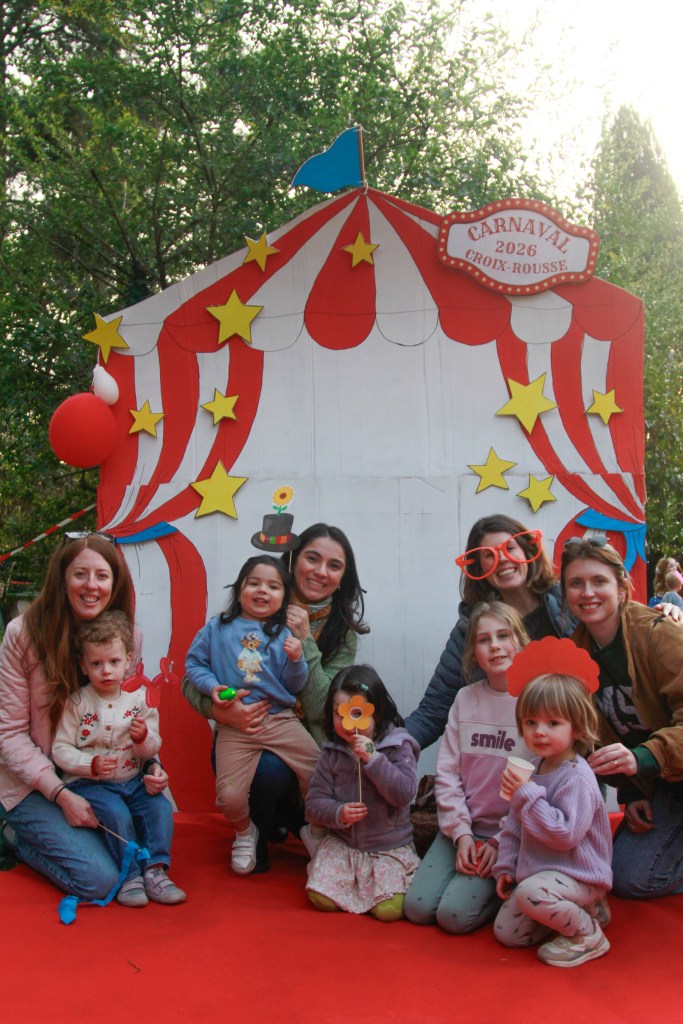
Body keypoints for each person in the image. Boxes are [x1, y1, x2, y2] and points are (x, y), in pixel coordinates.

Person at [182, 523, 368, 870]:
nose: (320, 572)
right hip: (239, 729)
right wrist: (221, 711)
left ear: (343, 578)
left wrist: (305, 642)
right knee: (257, 777)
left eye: (333, 566)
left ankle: (298, 823)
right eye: (312, 559)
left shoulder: (340, 633)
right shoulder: (242, 616)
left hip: (294, 732)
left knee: (303, 770)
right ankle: (254, 831)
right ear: (292, 562)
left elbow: (318, 709)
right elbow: (191, 679)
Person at [0, 535, 166, 899]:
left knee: (146, 843)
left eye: (101, 576)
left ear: (115, 583)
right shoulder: (22, 635)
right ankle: (15, 838)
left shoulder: (129, 638)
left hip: (96, 779)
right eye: (80, 574)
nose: (91, 585)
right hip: (35, 783)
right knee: (101, 879)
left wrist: (152, 763)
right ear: (62, 579)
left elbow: (131, 711)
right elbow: (8, 734)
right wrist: (60, 794)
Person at [561, 535, 683, 899]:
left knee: (638, 878)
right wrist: (632, 791)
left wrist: (643, 758)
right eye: (576, 583)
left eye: (599, 581)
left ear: (621, 586)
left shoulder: (658, 633)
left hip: (670, 767)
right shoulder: (576, 654)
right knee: (623, 874)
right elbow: (606, 734)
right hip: (662, 782)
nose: (587, 593)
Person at [184, 554, 322, 875]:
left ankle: (313, 830)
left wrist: (297, 660)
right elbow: (194, 664)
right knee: (229, 796)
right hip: (235, 726)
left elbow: (295, 684)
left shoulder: (284, 634)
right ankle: (246, 832)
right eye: (254, 583)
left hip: (280, 719)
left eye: (273, 586)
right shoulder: (217, 628)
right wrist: (212, 688)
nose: (262, 591)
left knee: (318, 769)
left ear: (284, 597)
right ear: (239, 589)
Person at [404, 602, 532, 933]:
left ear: (520, 641)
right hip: (463, 827)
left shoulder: (536, 701)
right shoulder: (464, 699)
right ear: (473, 653)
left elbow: (544, 783)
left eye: (503, 636)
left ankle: (511, 881)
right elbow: (447, 774)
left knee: (453, 917)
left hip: (509, 834)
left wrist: (502, 840)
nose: (495, 646)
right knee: (417, 908)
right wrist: (460, 833)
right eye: (484, 640)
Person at [492, 637, 613, 968]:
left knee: (530, 894)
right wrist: (506, 866)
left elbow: (564, 835)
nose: (539, 732)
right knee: (507, 933)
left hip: (580, 875)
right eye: (531, 722)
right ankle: (579, 912)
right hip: (542, 876)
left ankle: (588, 934)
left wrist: (527, 793)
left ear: (577, 728)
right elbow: (514, 826)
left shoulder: (577, 778)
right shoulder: (533, 767)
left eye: (553, 723)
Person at [52, 611, 185, 907]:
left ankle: (155, 870)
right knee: (116, 814)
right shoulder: (77, 702)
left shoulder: (140, 700)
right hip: (90, 785)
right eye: (96, 664)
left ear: (128, 661)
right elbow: (60, 749)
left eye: (113, 662)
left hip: (132, 780)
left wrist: (142, 738)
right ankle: (129, 875)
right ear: (84, 666)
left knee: (160, 808)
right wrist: (90, 765)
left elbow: (152, 747)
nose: (106, 671)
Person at [405, 515, 564, 750]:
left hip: (571, 756)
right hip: (504, 756)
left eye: (510, 548)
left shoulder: (567, 605)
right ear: (480, 568)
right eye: (489, 555)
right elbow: (434, 710)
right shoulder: (471, 628)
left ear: (527, 551)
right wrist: (388, 746)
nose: (503, 559)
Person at [304, 664, 420, 921]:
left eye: (357, 713)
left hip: (388, 848)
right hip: (344, 846)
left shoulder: (398, 746)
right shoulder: (332, 752)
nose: (347, 723)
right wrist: (338, 813)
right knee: (320, 899)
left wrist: (374, 760)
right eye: (339, 713)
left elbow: (404, 794)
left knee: (389, 911)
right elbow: (313, 803)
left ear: (377, 711)